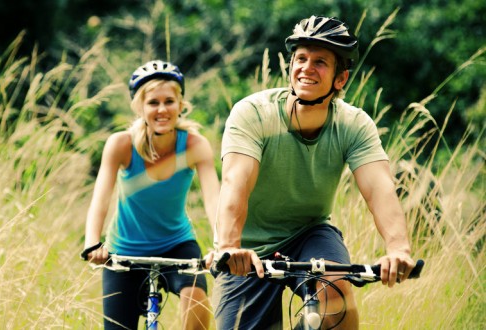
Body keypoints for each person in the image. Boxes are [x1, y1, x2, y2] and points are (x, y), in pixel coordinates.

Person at [211, 16, 417, 329]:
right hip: (246, 247)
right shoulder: (253, 113)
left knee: (337, 293)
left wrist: (398, 249)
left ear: (340, 78)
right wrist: (228, 246)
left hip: (309, 232)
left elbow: (380, 189)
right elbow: (235, 183)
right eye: (301, 59)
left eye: (320, 62)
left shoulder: (353, 124)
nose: (307, 68)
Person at [81, 60, 220, 329]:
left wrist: (221, 246)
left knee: (197, 300)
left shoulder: (195, 145)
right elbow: (101, 198)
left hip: (176, 245)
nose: (162, 109)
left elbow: (214, 199)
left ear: (180, 104)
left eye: (169, 101)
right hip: (124, 251)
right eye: (153, 102)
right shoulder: (121, 144)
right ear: (140, 108)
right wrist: (92, 243)